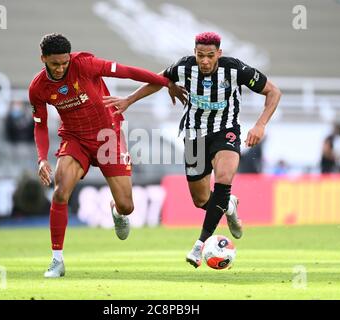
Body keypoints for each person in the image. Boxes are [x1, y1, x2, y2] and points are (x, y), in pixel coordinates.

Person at [103, 32, 281, 268]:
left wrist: (260, 124)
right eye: (200, 55)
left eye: (209, 56)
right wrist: (129, 100)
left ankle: (200, 244)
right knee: (201, 199)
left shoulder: (236, 70)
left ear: (219, 53)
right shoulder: (184, 66)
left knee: (224, 178)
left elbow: (273, 91)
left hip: (225, 131)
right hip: (194, 135)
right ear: (194, 53)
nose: (204, 61)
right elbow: (158, 79)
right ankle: (228, 205)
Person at [28, 33, 184, 277]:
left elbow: (127, 71)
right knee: (60, 192)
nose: (60, 68)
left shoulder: (85, 65)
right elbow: (39, 124)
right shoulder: (38, 88)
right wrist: (41, 158)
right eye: (54, 64)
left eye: (64, 63)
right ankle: (57, 260)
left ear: (70, 57)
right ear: (43, 59)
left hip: (106, 136)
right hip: (74, 138)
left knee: (127, 205)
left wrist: (166, 83)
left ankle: (116, 210)